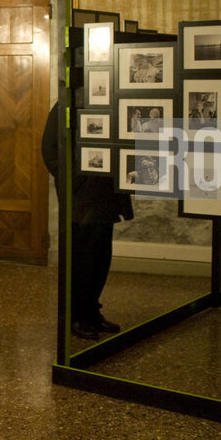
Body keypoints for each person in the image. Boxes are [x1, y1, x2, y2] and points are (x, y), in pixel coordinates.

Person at [42, 101, 133, 341]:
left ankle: (92, 311)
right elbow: (50, 150)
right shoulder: (67, 104)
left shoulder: (110, 99)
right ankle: (76, 316)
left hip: (105, 195)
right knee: (81, 259)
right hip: (81, 199)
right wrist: (75, 180)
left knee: (100, 257)